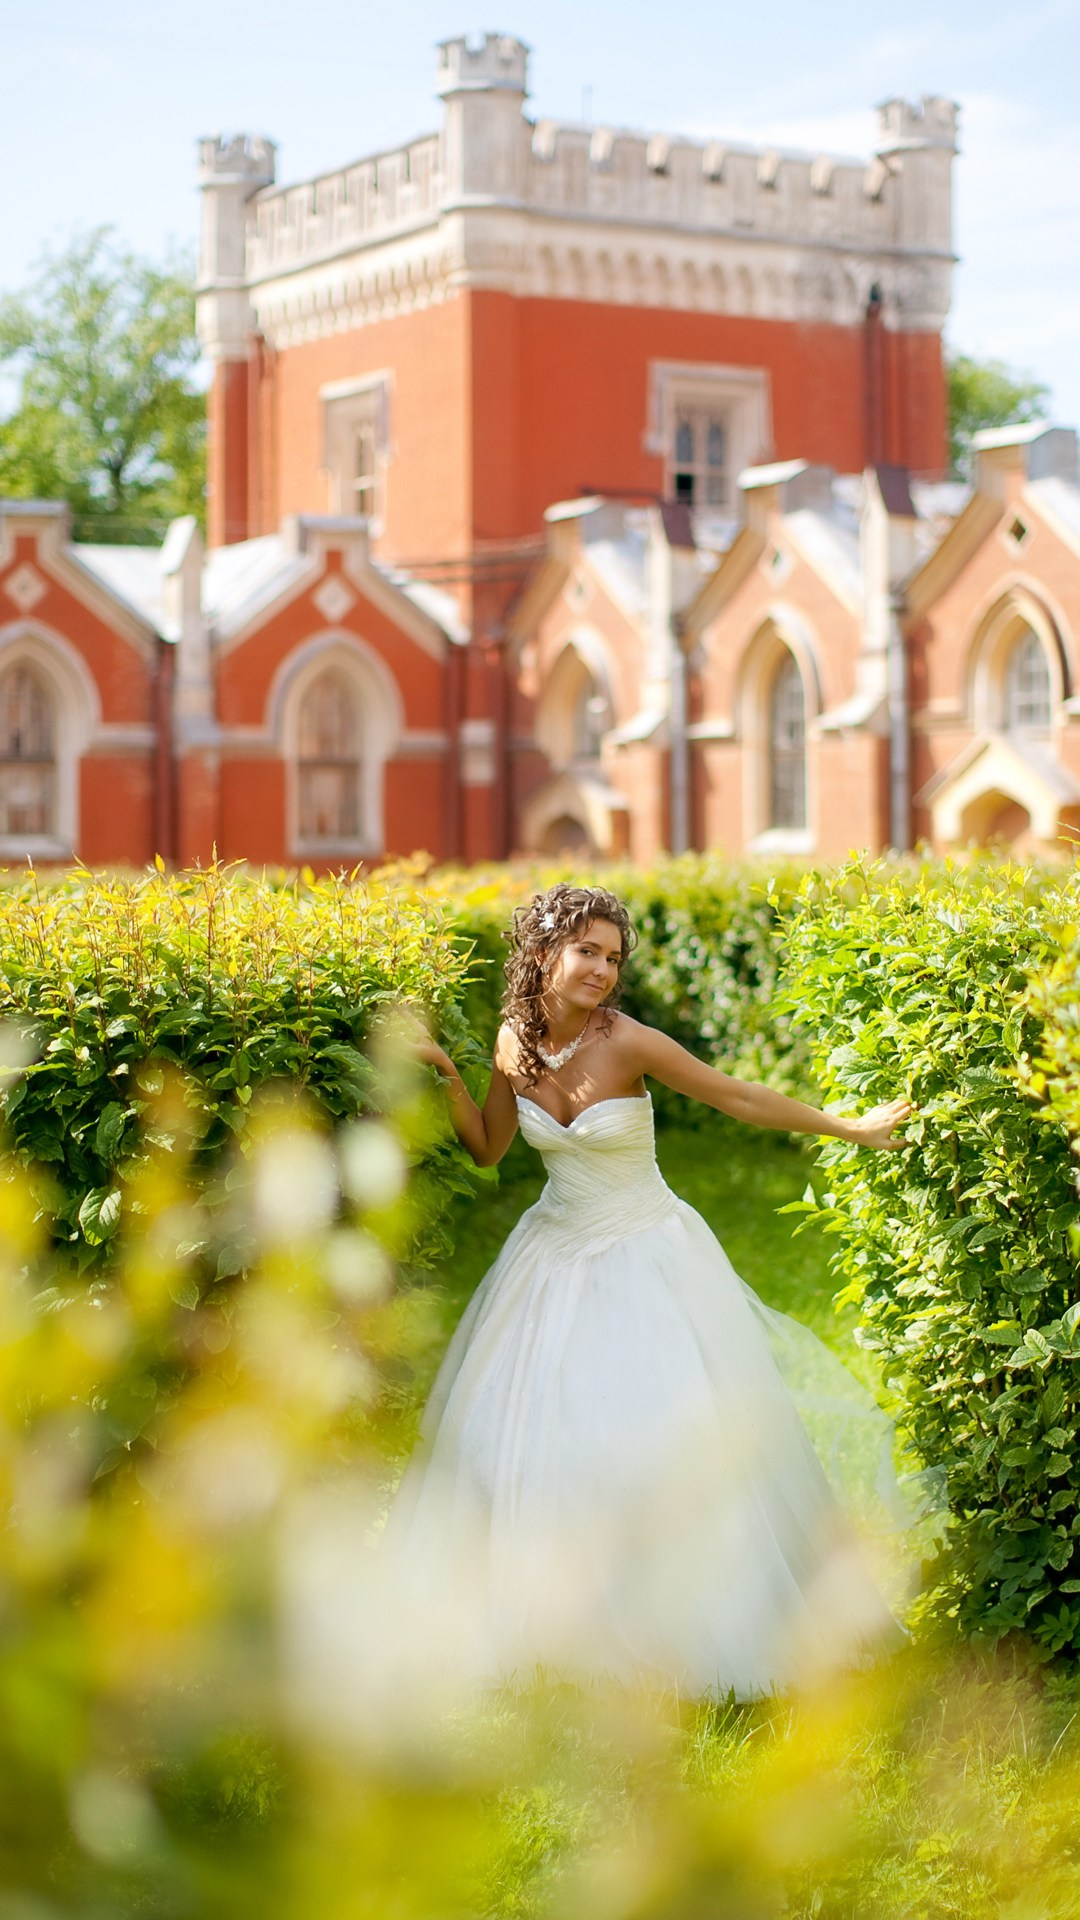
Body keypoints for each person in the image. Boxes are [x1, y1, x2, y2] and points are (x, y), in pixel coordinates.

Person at [386, 881, 915, 1702]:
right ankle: (553, 1629)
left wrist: (849, 1127)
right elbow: (491, 1150)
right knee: (537, 1439)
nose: (601, 969)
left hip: (646, 1251)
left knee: (664, 1436)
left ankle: (690, 1625)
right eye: (587, 951)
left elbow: (735, 1096)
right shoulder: (513, 1043)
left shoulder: (628, 1042)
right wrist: (455, 1078)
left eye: (613, 957)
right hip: (551, 1256)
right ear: (544, 953)